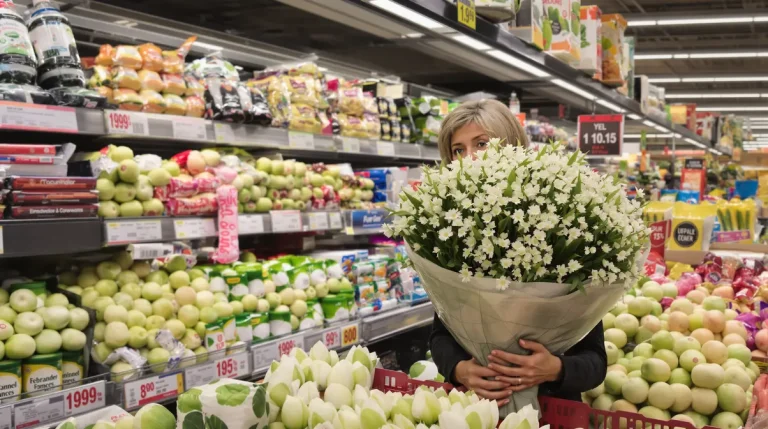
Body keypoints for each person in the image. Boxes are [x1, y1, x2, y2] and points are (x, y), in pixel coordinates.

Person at [429, 99, 606, 406]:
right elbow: (439, 335)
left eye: (481, 144)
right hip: (476, 409)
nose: (469, 158)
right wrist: (459, 370)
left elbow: (596, 361)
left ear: (512, 144)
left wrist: (556, 368)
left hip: (553, 411)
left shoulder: (561, 222)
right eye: (458, 150)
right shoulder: (453, 230)